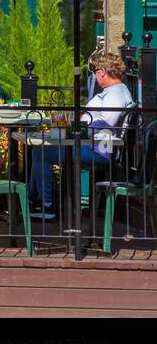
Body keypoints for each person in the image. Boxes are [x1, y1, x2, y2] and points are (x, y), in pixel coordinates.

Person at [28, 52, 134, 219]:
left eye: (95, 71)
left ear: (103, 71)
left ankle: (46, 206)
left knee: (40, 152)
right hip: (91, 144)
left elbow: (108, 120)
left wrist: (77, 125)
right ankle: (34, 201)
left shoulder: (116, 93)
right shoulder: (113, 91)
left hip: (98, 150)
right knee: (39, 150)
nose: (94, 75)